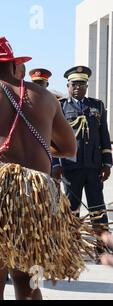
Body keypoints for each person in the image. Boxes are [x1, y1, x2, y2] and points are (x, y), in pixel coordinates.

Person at [0, 36, 95, 300]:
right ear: (13, 66)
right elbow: (70, 149)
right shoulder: (46, 98)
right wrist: (41, 147)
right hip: (38, 198)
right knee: (29, 283)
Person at [52, 66, 112, 260]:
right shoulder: (60, 107)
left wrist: (107, 163)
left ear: (87, 86)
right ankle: (70, 246)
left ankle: (102, 247)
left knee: (98, 209)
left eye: (81, 84)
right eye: (74, 84)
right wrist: (56, 164)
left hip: (94, 166)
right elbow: (53, 138)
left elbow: (104, 135)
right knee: (71, 209)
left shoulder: (97, 106)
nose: (78, 88)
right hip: (70, 166)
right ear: (68, 86)